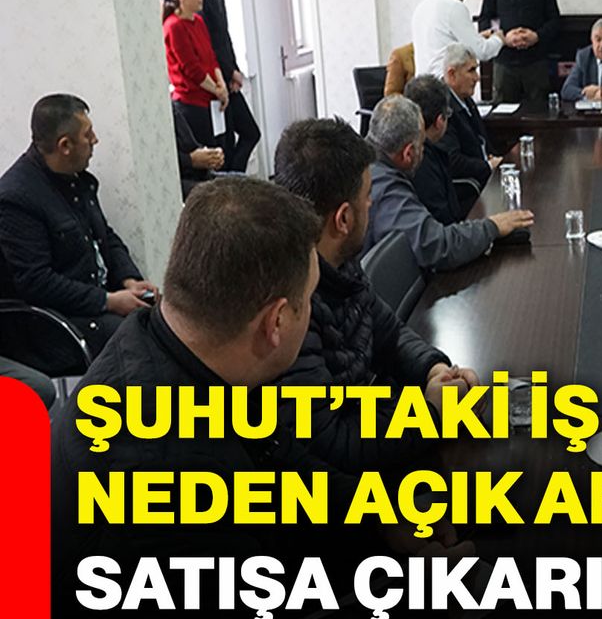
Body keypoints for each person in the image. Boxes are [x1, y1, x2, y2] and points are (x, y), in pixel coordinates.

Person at [50, 178, 470, 617]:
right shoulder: (165, 475)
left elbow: (283, 462)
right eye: (309, 300)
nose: (313, 312)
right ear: (276, 322)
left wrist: (381, 516)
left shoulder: (181, 346)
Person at [273, 118, 478, 473]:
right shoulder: (291, 307)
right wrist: (431, 411)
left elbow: (389, 333)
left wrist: (434, 369)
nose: (372, 203)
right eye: (368, 196)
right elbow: (334, 442)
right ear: (343, 219)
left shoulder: (341, 263)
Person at [0, 94, 158, 357]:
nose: (95, 140)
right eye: (88, 134)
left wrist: (130, 280)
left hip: (98, 302)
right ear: (65, 145)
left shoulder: (78, 181)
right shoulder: (16, 199)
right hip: (57, 323)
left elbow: (106, 237)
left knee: (169, 322)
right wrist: (107, 301)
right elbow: (37, 282)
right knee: (143, 342)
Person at [366, 86, 534, 271]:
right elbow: (437, 246)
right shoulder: (385, 189)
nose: (424, 151)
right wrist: (492, 227)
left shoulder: (370, 165)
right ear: (408, 153)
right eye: (422, 145)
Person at [197, 0, 261, 172]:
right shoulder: (201, 0)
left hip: (227, 79)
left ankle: (235, 179)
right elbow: (209, 46)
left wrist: (234, 71)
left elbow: (225, 39)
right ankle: (233, 181)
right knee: (226, 143)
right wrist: (228, 73)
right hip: (214, 85)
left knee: (250, 133)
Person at [162, 0, 227, 149]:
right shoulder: (174, 26)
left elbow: (211, 58)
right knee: (208, 156)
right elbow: (192, 69)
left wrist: (221, 86)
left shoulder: (198, 21)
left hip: (211, 101)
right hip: (191, 105)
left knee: (222, 151)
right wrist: (217, 90)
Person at [412, 0, 505, 78]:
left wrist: (477, 37)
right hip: (445, 84)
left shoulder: (420, 8)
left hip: (422, 84)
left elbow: (442, 44)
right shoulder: (454, 6)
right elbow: (482, 51)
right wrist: (499, 38)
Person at [440, 43, 502, 210]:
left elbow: (482, 140)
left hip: (486, 177)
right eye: (471, 70)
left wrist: (493, 157)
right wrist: (488, 166)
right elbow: (453, 162)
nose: (477, 77)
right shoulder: (443, 107)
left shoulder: (465, 99)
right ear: (452, 74)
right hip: (471, 188)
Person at [172, 103, 223, 200]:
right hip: (179, 182)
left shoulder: (171, 108)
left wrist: (211, 156)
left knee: (247, 185)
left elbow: (190, 144)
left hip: (199, 174)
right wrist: (190, 160)